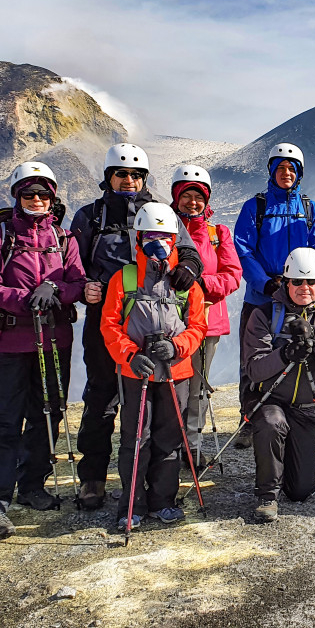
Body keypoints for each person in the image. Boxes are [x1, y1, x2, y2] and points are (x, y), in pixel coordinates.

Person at [70, 143, 203, 510]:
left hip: (157, 316)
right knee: (101, 398)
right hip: (109, 319)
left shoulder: (159, 211)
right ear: (108, 177)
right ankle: (93, 478)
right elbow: (73, 266)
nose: (128, 181)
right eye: (121, 174)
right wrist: (84, 288)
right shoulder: (89, 217)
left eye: (135, 175)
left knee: (157, 405)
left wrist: (188, 270)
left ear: (144, 178)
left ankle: (154, 486)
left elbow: (187, 250)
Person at [0, 161, 86, 538]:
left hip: (54, 340)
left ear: (53, 199)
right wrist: (26, 298)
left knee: (48, 414)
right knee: (5, 420)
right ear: (17, 197)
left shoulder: (65, 239)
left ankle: (31, 485)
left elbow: (79, 283)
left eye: (43, 194)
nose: (37, 200)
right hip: (11, 343)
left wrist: (54, 290)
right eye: (29, 194)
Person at [100, 202, 208, 531]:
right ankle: (131, 504)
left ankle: (163, 500)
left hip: (176, 372)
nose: (158, 242)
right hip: (137, 372)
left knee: (168, 438)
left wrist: (176, 346)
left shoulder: (187, 283)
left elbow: (199, 326)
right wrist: (131, 355)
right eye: (151, 235)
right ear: (139, 237)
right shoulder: (126, 277)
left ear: (176, 239)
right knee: (136, 437)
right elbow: (109, 326)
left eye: (165, 236)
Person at [232, 143, 315, 448]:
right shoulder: (256, 207)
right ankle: (250, 417)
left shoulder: (310, 209)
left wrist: (299, 282)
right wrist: (267, 284)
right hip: (262, 295)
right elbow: (243, 251)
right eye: (280, 168)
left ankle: (304, 412)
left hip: (299, 293)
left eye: (292, 169)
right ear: (272, 171)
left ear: (299, 174)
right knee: (253, 357)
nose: (286, 173)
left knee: (306, 350)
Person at [241, 248, 315, 522]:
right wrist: (285, 353)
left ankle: (286, 464)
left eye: (311, 282)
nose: (305, 287)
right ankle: (267, 494)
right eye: (297, 282)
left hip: (306, 406)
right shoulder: (264, 315)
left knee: (301, 491)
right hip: (271, 400)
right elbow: (254, 369)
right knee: (271, 424)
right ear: (286, 282)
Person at [169, 165, 243, 470]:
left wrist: (200, 284)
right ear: (175, 197)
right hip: (170, 321)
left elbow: (233, 276)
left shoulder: (218, 233)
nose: (192, 202)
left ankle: (192, 446)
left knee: (198, 386)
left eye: (198, 197)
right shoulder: (164, 227)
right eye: (186, 195)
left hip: (206, 320)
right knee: (172, 385)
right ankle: (171, 446)